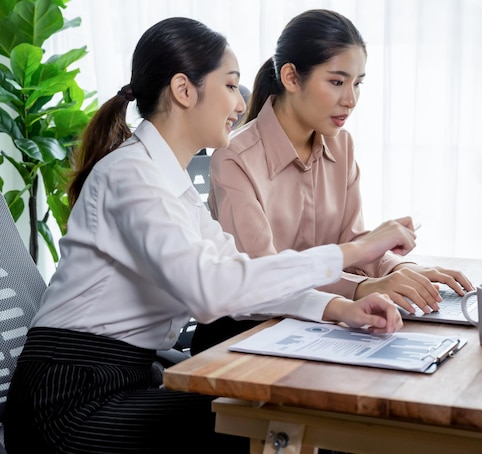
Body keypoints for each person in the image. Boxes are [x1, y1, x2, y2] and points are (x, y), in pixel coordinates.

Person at [2, 16, 418, 454]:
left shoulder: (170, 184)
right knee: (274, 424)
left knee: (287, 419)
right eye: (229, 85)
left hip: (121, 381)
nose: (241, 103)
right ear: (184, 90)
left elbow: (242, 276)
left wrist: (338, 308)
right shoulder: (130, 175)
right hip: (67, 403)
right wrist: (352, 251)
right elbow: (210, 292)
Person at [191, 9, 474, 355]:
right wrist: (363, 288)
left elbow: (352, 242)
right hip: (245, 331)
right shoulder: (235, 156)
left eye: (357, 84)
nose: (351, 100)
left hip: (320, 321)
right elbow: (264, 274)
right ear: (292, 78)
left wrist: (407, 272)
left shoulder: (341, 144)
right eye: (337, 82)